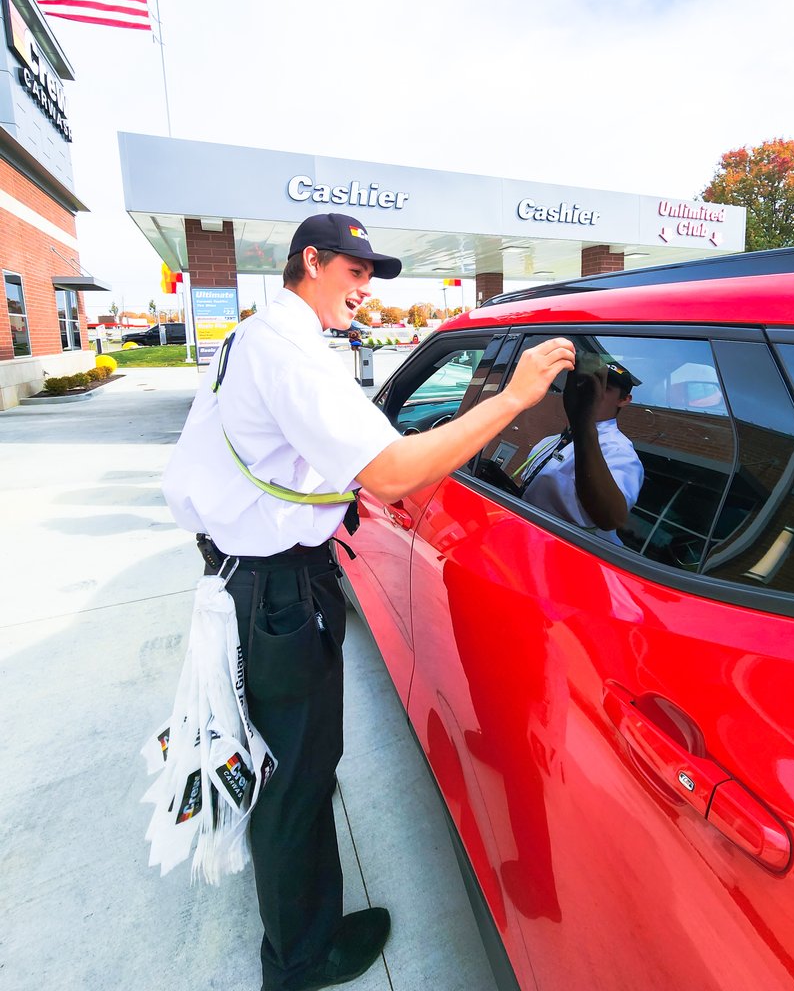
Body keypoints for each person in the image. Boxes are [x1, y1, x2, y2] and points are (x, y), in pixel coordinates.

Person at [162, 211, 575, 991]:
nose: (365, 287)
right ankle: (300, 961)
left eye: (371, 275)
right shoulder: (290, 352)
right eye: (353, 271)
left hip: (249, 578)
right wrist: (514, 399)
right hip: (277, 588)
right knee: (297, 777)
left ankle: (297, 942)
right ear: (309, 261)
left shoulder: (253, 337)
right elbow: (391, 474)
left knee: (290, 768)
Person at [521, 354, 644, 545]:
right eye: (586, 383)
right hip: (524, 537)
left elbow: (611, 518)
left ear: (624, 400)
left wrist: (583, 424)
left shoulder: (620, 451)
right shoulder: (552, 440)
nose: (591, 392)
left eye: (604, 388)